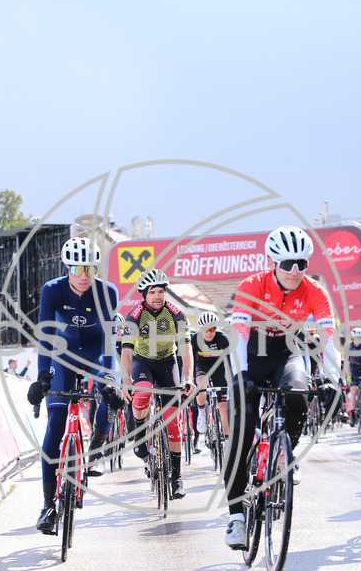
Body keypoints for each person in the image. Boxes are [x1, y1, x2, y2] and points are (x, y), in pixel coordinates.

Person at [223, 226, 339, 549]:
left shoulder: (315, 291)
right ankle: (236, 518)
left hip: (288, 351)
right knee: (243, 431)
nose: (295, 271)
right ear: (272, 262)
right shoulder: (252, 285)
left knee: (299, 394)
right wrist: (241, 374)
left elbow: (328, 338)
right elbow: (239, 336)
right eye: (287, 264)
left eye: (301, 264)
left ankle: (286, 455)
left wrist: (332, 378)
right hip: (252, 354)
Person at [26, 237, 123, 533]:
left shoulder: (107, 292)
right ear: (67, 267)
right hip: (63, 356)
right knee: (55, 424)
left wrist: (107, 378)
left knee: (110, 398)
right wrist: (43, 377)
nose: (84, 275)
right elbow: (45, 337)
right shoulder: (52, 290)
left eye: (90, 268)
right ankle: (47, 506)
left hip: (97, 354)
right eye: (78, 268)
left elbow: (109, 340)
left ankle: (97, 444)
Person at [120, 268, 195, 500]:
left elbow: (185, 348)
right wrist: (125, 381)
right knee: (141, 395)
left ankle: (176, 478)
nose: (158, 296)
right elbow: (126, 351)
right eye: (153, 292)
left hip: (167, 363)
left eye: (161, 291)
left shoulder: (177, 314)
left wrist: (189, 378)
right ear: (144, 294)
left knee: (173, 422)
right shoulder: (135, 315)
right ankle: (139, 431)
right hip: (143, 362)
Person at [192, 311, 231, 440]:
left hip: (219, 370)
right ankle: (202, 413)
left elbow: (230, 362)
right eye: (205, 329)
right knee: (202, 383)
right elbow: (190, 361)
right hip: (202, 367)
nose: (208, 333)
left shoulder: (223, 339)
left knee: (224, 408)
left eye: (212, 329)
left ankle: (227, 440)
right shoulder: (194, 340)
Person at [345, 326, 361, 425]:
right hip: (354, 368)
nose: (359, 340)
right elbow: (347, 363)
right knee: (354, 390)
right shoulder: (349, 347)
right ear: (353, 339)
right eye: (357, 338)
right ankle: (353, 414)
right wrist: (348, 375)